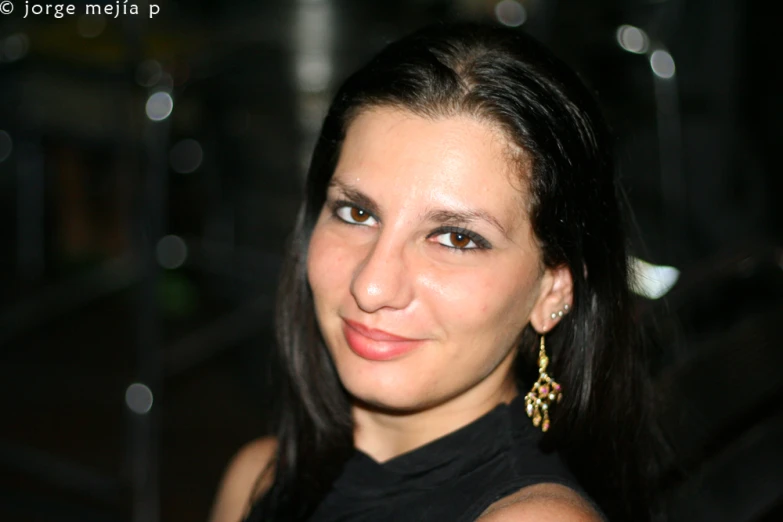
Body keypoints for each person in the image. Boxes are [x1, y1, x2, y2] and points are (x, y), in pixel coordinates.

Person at [209, 22, 666, 522]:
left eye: (456, 238)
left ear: (552, 289)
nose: (372, 285)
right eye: (357, 213)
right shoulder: (258, 478)